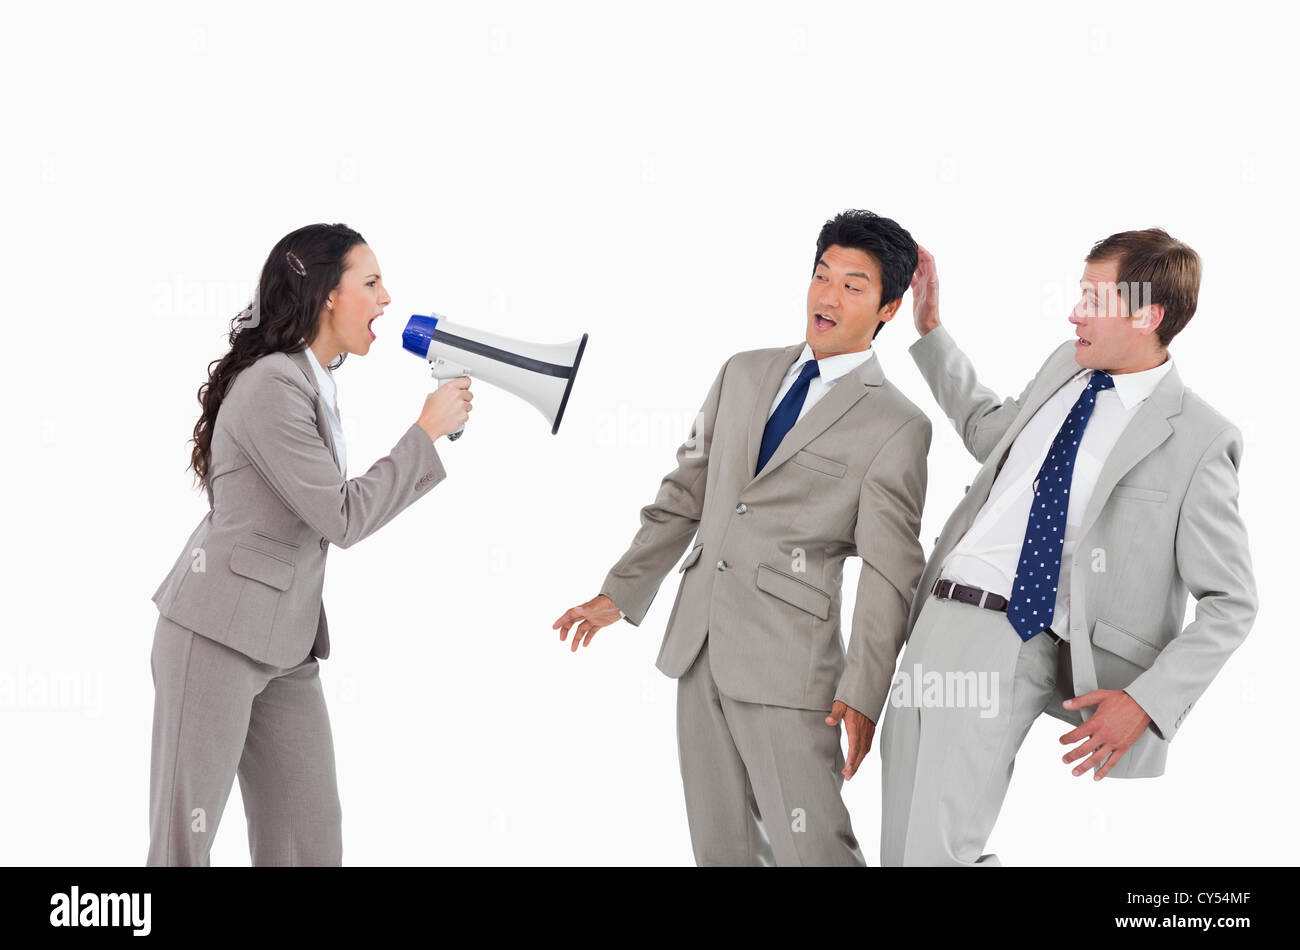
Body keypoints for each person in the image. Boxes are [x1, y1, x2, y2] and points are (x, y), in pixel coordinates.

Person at [554, 209, 931, 866]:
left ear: (889, 308)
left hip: (791, 669)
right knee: (721, 851)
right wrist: (619, 593)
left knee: (812, 850)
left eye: (853, 285)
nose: (827, 296)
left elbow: (891, 571)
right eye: (822, 275)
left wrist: (865, 689)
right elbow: (684, 493)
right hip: (696, 649)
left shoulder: (896, 425)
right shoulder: (742, 372)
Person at [880, 229, 1258, 866]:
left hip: (1011, 634)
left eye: (1093, 297)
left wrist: (1147, 701)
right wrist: (931, 331)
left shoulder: (1198, 438)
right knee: (902, 851)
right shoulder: (1066, 365)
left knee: (935, 856)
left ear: (1148, 315)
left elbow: (1232, 602)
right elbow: (989, 432)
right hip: (935, 616)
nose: (1074, 311)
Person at [147, 223, 472, 865]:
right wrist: (425, 433)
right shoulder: (272, 384)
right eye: (371, 282)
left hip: (286, 645)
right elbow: (342, 517)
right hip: (213, 637)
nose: (386, 300)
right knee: (184, 847)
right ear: (327, 293)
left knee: (308, 843)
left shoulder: (312, 380)